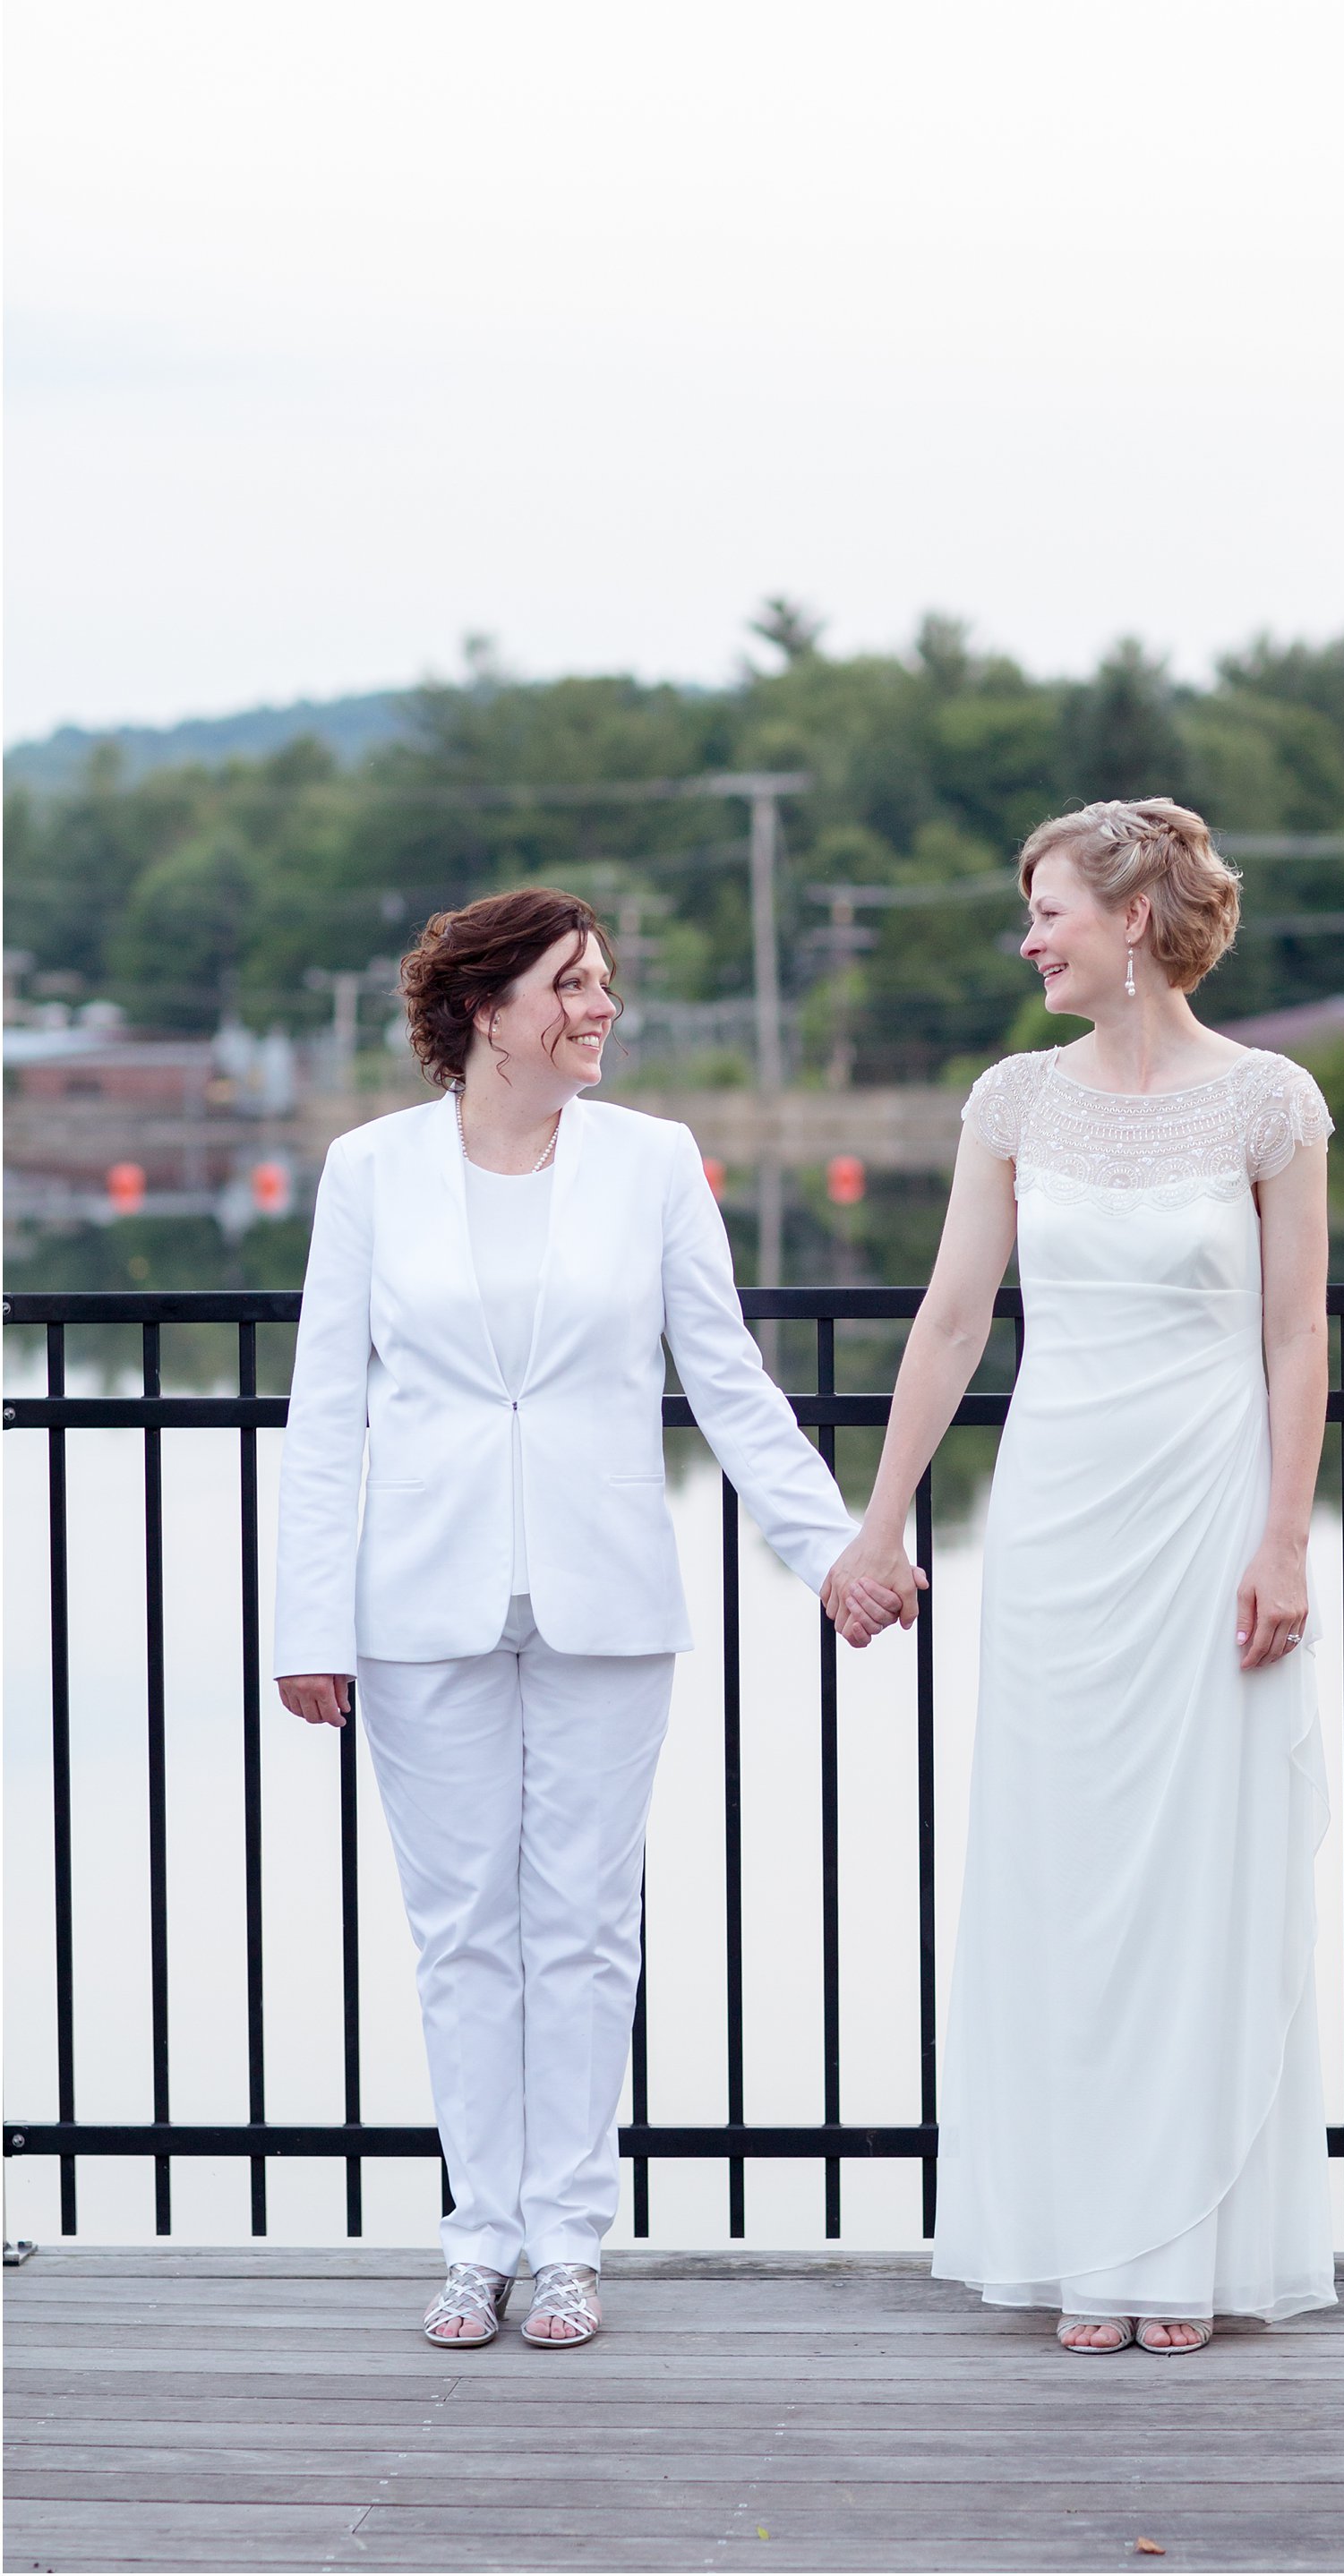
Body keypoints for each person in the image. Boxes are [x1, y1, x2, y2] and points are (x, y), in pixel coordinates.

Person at [274, 886, 908, 2350]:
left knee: (581, 1924)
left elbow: (731, 1378)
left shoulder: (653, 1160)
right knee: (459, 1933)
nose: (600, 1008)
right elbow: (325, 1416)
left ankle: (565, 2242)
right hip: (417, 1603)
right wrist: (309, 1620)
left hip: (607, 1594)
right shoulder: (369, 1171)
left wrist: (835, 1551)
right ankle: (475, 2241)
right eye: (572, 985)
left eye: (605, 982)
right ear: (486, 1009)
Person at [822, 799, 1337, 2354]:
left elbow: (1299, 1332)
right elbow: (953, 1319)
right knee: (1063, 1871)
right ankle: (1075, 2238)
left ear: (1132, 920)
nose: (1027, 936)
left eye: (1046, 909)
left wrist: (1286, 1534)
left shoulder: (1271, 1101)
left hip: (1204, 1513)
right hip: (1056, 1520)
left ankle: (1179, 2243)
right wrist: (881, 1515)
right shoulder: (1013, 1101)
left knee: (1194, 1871)